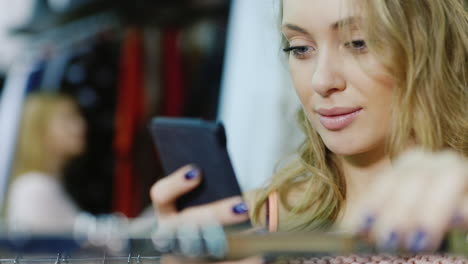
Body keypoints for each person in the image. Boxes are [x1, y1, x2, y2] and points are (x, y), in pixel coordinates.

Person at [150, 0, 468, 263]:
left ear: (434, 47)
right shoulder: (259, 219)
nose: (320, 80)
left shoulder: (460, 206)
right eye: (300, 49)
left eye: (359, 43)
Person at [6, 93, 87, 232]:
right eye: (67, 119)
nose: (80, 126)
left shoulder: (44, 185)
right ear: (39, 130)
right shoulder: (33, 188)